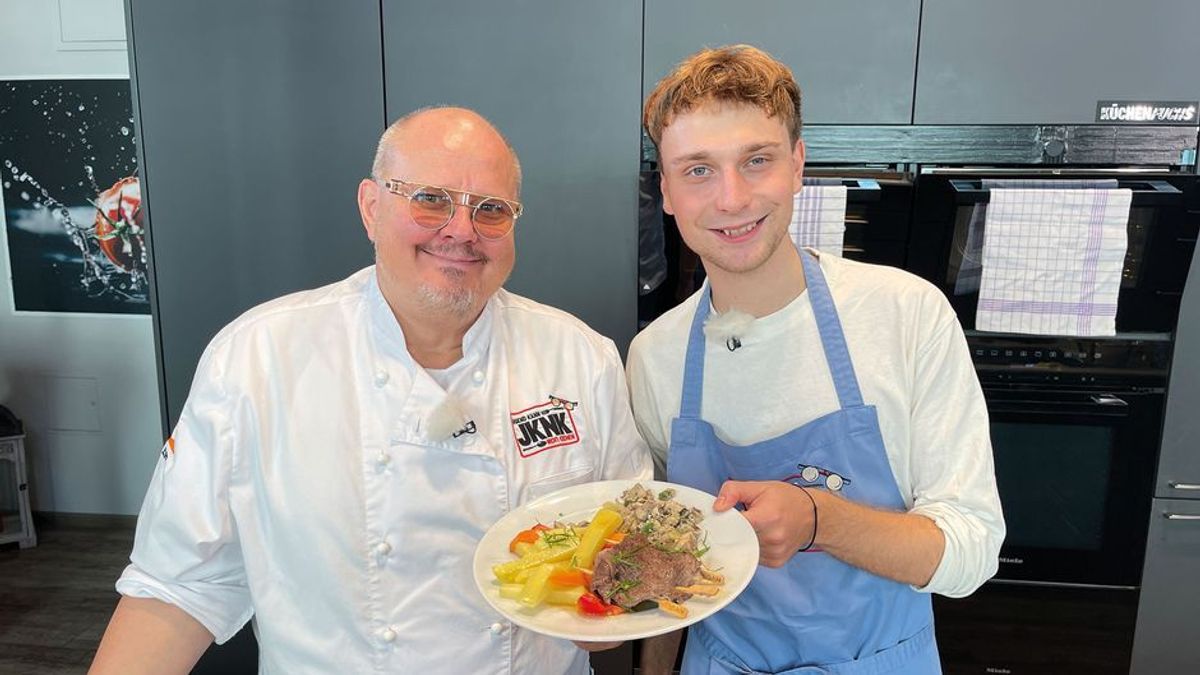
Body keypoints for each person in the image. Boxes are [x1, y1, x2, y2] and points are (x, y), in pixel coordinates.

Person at [90, 106, 652, 674]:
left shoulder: (580, 357)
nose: (461, 230)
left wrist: (610, 604)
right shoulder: (258, 358)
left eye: (491, 210)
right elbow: (178, 586)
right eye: (430, 199)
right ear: (371, 207)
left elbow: (618, 582)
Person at [626, 46, 1005, 674]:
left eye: (757, 160)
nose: (731, 197)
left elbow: (970, 553)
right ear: (665, 190)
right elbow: (664, 555)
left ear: (798, 164)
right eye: (697, 170)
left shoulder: (906, 314)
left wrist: (817, 518)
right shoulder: (655, 356)